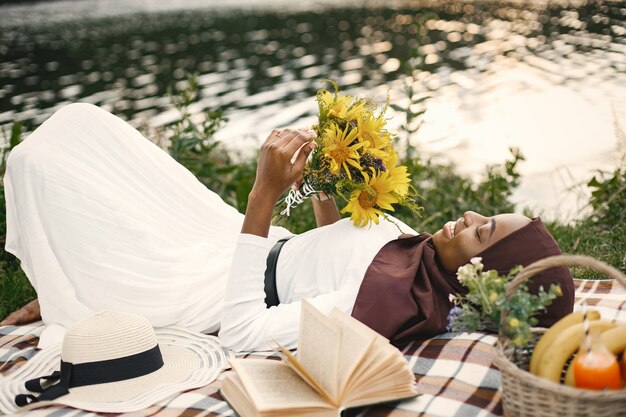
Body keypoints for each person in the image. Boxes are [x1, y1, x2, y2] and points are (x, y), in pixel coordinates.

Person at [1, 103, 574, 351]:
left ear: (477, 274)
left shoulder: (380, 300)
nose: (469, 217)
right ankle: (65, 289)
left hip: (217, 283)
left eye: (479, 232)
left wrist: (264, 195)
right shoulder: (423, 260)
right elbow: (336, 245)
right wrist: (325, 179)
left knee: (41, 167)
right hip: (242, 244)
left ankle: (68, 296)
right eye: (484, 217)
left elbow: (244, 330)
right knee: (84, 130)